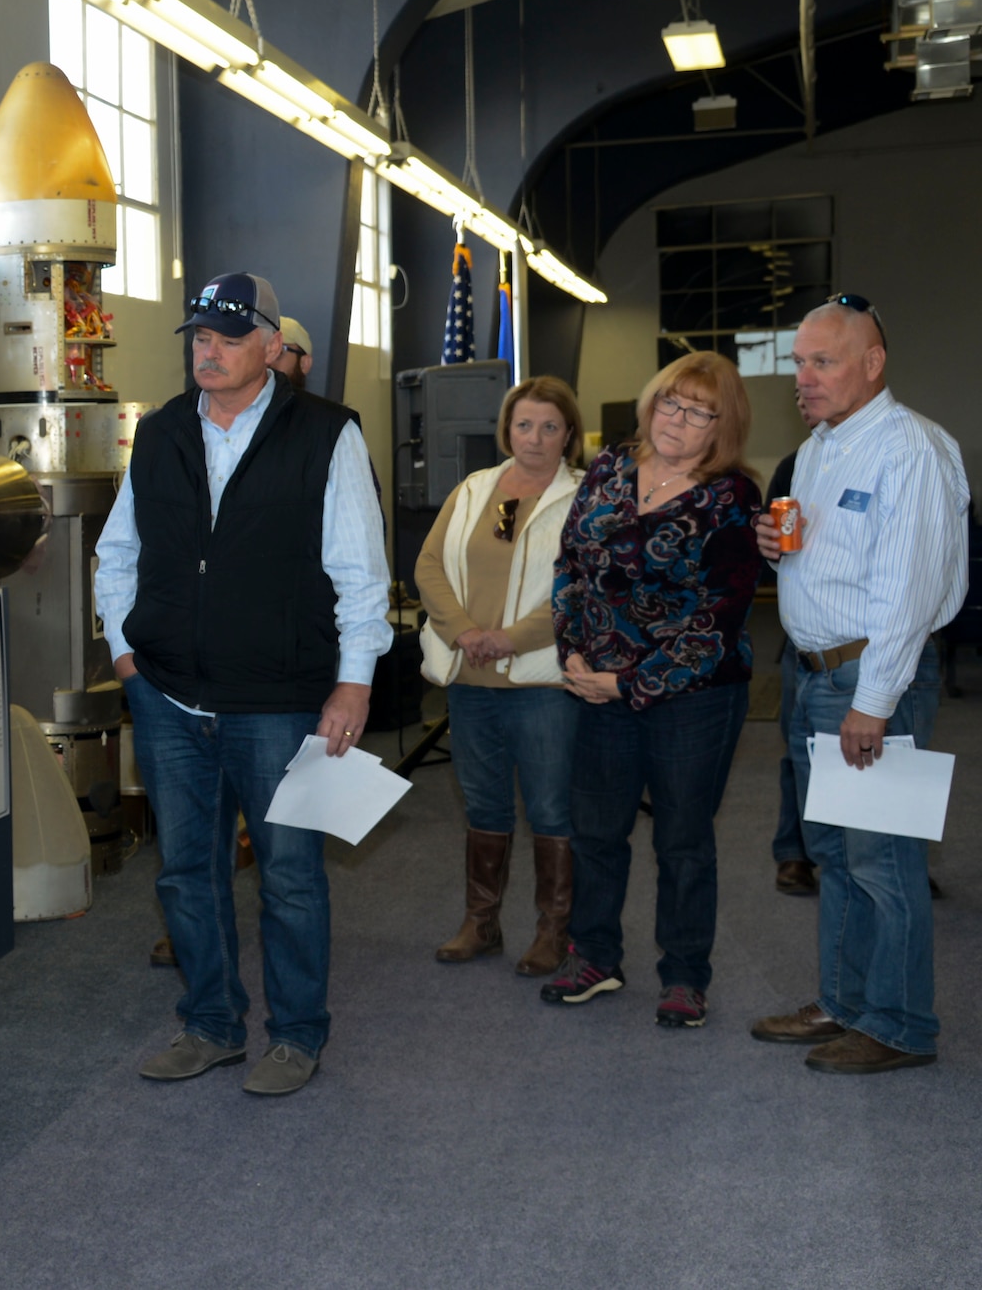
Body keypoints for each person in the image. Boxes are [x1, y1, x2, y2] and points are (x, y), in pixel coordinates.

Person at [95, 271, 391, 1097]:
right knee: (186, 870)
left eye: (228, 336)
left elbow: (361, 572)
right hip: (168, 695)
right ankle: (212, 1023)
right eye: (200, 336)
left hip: (280, 697)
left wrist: (353, 683)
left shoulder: (328, 433)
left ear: (272, 346)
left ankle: (296, 1035)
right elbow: (117, 552)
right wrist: (127, 655)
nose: (209, 350)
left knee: (291, 872)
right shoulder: (157, 434)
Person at [750, 295, 968, 1073]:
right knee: (836, 855)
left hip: (874, 681)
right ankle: (846, 1000)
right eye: (799, 362)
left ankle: (903, 1024)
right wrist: (776, 547)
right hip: (813, 677)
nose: (803, 378)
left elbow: (907, 591)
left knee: (884, 862)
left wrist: (873, 703)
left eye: (823, 361)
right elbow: (826, 560)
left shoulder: (910, 450)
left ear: (873, 363)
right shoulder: (820, 448)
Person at [545, 352, 763, 1030]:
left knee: (683, 838)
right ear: (651, 404)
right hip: (598, 684)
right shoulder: (609, 467)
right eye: (672, 402)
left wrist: (628, 681)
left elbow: (718, 620)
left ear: (722, 427)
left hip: (691, 696)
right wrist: (573, 653)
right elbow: (569, 566)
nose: (680, 419)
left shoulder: (731, 497)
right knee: (597, 830)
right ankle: (596, 956)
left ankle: (685, 975)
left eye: (701, 412)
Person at [416, 376, 585, 976]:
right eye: (523, 425)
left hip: (542, 683)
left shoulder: (585, 499)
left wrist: (509, 639)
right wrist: (464, 631)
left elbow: (581, 589)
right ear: (505, 429)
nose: (534, 438)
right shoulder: (474, 489)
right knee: (484, 805)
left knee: (549, 810)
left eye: (549, 427)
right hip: (470, 678)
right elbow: (430, 564)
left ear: (569, 434)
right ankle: (480, 922)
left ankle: (553, 931)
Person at [766, 447, 817, 896]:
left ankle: (891, 853)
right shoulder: (793, 467)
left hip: (873, 640)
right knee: (799, 751)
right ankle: (794, 852)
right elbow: (774, 556)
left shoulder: (897, 451)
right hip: (802, 644)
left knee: (888, 753)